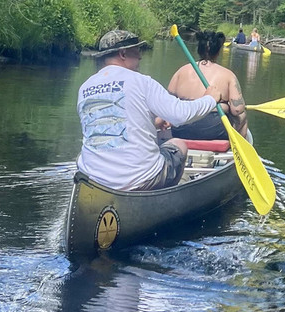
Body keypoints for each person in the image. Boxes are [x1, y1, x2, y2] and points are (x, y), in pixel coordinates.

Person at [76, 29, 222, 191]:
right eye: (137, 51)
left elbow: (115, 125)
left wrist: (152, 124)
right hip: (140, 179)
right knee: (178, 145)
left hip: (94, 180)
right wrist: (210, 99)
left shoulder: (85, 88)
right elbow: (181, 115)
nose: (140, 56)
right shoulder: (141, 81)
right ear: (123, 54)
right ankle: (166, 194)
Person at [162, 30, 248, 141]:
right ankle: (235, 154)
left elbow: (167, 101)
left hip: (181, 127)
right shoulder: (228, 75)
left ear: (199, 50)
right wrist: (226, 106)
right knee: (242, 116)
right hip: (212, 130)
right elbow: (237, 110)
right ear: (218, 52)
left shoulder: (181, 71)